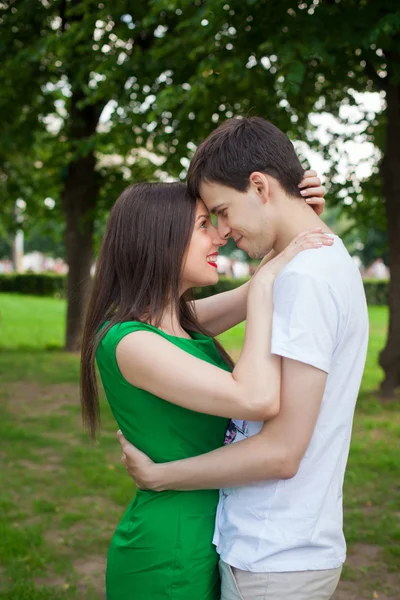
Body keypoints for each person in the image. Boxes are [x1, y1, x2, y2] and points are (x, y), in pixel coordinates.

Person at [118, 117, 369, 600]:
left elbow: (282, 452)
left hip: (274, 556)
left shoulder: (303, 280)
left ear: (259, 185)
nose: (223, 231)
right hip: (280, 546)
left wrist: (160, 476)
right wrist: (275, 258)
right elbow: (175, 324)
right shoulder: (317, 262)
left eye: (223, 211)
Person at [80, 171, 328, 600]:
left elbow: (257, 286)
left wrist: (293, 216)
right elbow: (258, 397)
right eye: (202, 226)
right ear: (159, 239)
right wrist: (266, 284)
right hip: (170, 550)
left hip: (209, 536)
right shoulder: (131, 341)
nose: (219, 237)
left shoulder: (179, 323)